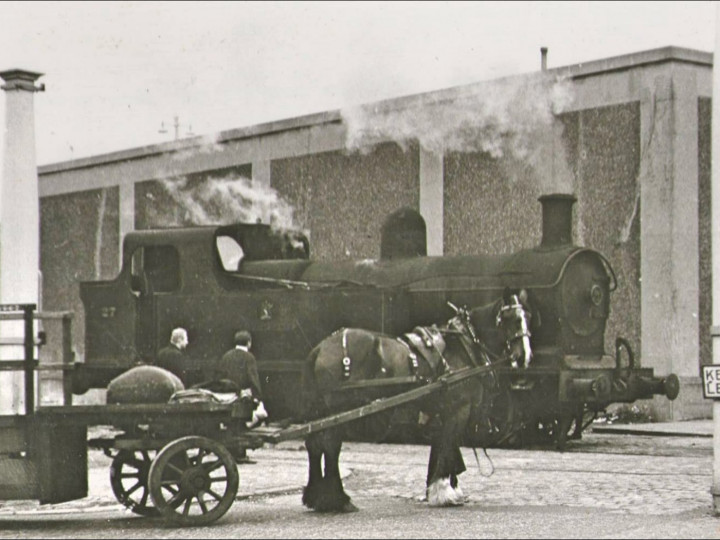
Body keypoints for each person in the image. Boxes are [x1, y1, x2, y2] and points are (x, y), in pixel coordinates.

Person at [215, 330, 268, 429]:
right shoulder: (249, 357)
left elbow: (220, 376)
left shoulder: (226, 356)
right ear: (249, 343)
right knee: (259, 415)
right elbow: (253, 378)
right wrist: (258, 397)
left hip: (227, 395)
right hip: (242, 396)